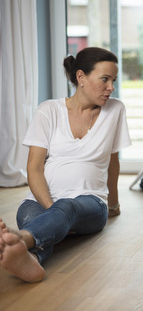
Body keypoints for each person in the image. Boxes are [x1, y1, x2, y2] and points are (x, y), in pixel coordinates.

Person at [0, 47, 131, 282]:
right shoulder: (48, 110)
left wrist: (113, 205)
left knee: (67, 208)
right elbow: (34, 168)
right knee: (39, 218)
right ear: (81, 77)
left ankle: (21, 238)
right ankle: (32, 260)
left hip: (89, 202)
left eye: (113, 80)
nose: (111, 87)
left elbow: (113, 163)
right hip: (38, 201)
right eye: (104, 79)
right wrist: (53, 209)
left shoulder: (115, 110)